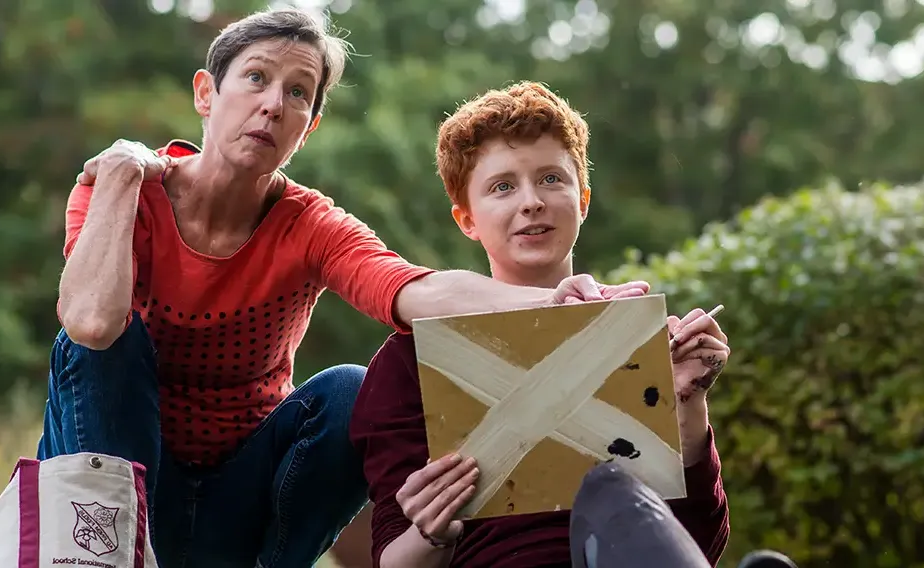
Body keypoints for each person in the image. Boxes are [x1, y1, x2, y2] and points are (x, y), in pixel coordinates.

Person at [36, 8, 646, 568]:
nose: (273, 105)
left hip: (236, 498)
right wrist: (119, 176)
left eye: (297, 93)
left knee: (349, 388)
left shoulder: (309, 224)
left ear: (311, 124)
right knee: (107, 345)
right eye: (255, 78)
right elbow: (89, 322)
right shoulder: (117, 193)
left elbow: (411, 289)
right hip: (118, 489)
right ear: (205, 92)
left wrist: (550, 302)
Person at [349, 81, 731, 568]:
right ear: (466, 219)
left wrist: (688, 408)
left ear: (583, 200)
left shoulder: (635, 334)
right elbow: (393, 561)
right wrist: (432, 528)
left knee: (609, 490)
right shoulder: (410, 360)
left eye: (551, 179)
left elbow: (699, 546)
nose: (531, 201)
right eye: (502, 186)